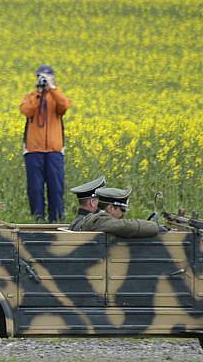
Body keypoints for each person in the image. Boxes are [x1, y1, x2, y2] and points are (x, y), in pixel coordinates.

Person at [20, 64, 73, 222]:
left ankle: (56, 218)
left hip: (54, 150)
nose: (42, 80)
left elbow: (64, 106)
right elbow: (27, 110)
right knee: (35, 188)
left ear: (52, 77)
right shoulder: (31, 96)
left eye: (45, 76)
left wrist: (52, 88)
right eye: (39, 77)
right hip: (33, 150)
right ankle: (37, 218)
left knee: (56, 188)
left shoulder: (56, 97)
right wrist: (39, 94)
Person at [77, 187, 163, 238]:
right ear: (111, 208)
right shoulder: (100, 221)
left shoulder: (91, 218)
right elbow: (127, 226)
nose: (124, 214)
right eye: (122, 210)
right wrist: (156, 227)